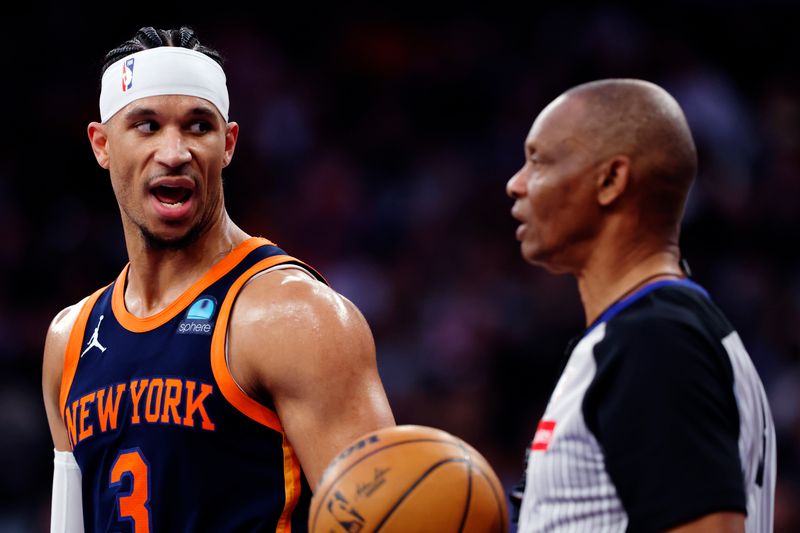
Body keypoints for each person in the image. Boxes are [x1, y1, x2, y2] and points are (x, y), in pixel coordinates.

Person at [41, 26, 395, 532]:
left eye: (198, 126)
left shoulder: (296, 318)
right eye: (146, 126)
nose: (174, 151)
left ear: (227, 144)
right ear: (101, 144)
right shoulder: (69, 340)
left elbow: (387, 519)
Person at [505, 79, 775, 532]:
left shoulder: (656, 341)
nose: (516, 184)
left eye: (538, 161)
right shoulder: (658, 332)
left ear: (611, 180)